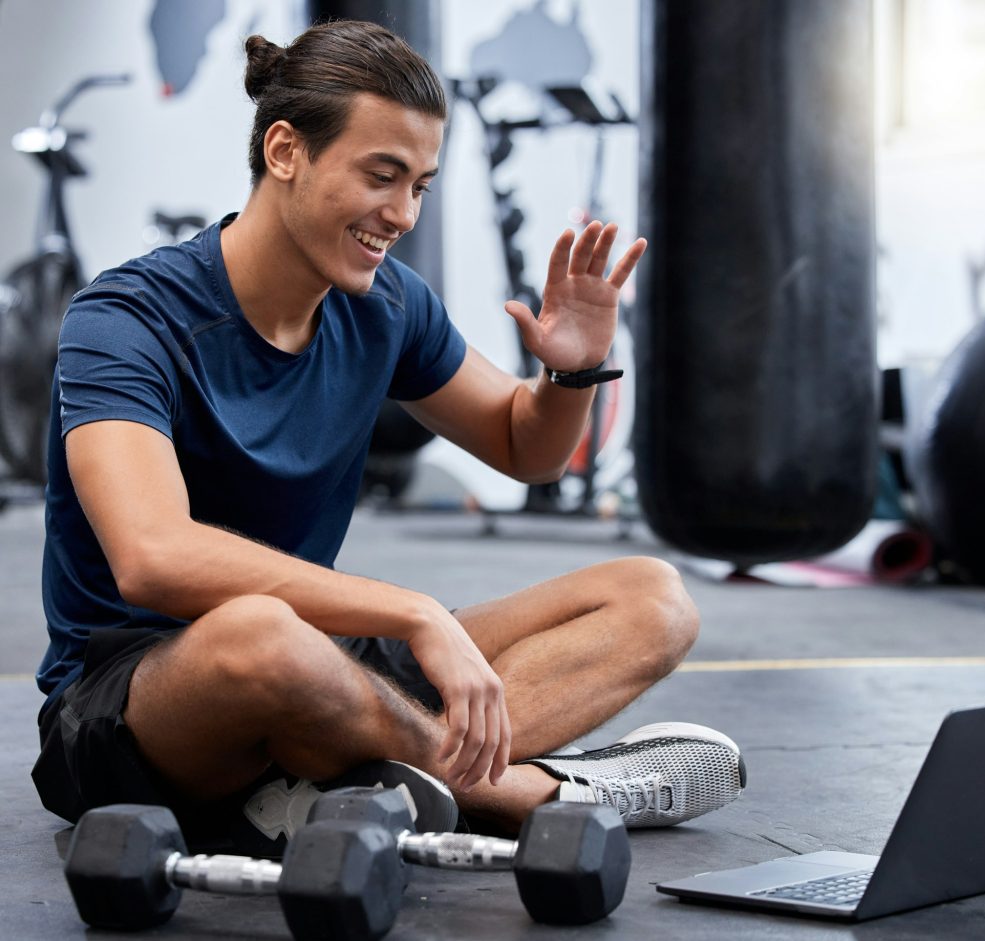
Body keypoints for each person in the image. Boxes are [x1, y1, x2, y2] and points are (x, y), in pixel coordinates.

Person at [31, 19, 745, 851]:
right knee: (261, 634)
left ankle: (369, 782)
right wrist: (413, 614)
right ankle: (520, 789)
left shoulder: (386, 304)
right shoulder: (126, 318)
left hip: (325, 665)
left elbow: (527, 450)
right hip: (140, 699)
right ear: (286, 151)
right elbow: (154, 555)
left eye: (421, 185)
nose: (403, 214)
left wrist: (571, 372)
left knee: (652, 597)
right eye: (383, 175)